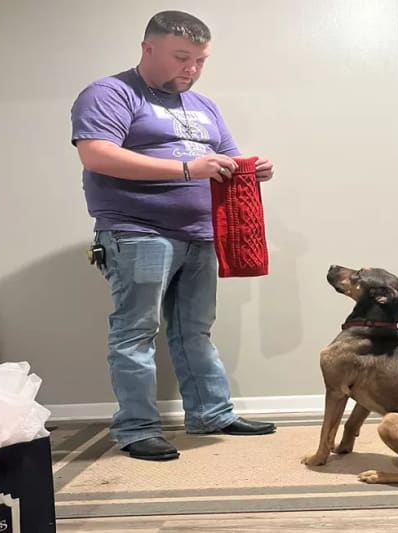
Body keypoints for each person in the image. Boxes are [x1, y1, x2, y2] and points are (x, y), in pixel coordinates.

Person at [70, 10, 276, 461]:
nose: (192, 69)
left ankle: (211, 414)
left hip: (201, 233)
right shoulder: (111, 93)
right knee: (136, 331)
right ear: (148, 48)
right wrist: (187, 168)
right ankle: (138, 428)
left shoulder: (204, 107)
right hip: (137, 231)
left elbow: (226, 161)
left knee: (195, 330)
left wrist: (252, 170)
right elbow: (97, 155)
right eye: (182, 57)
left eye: (200, 61)